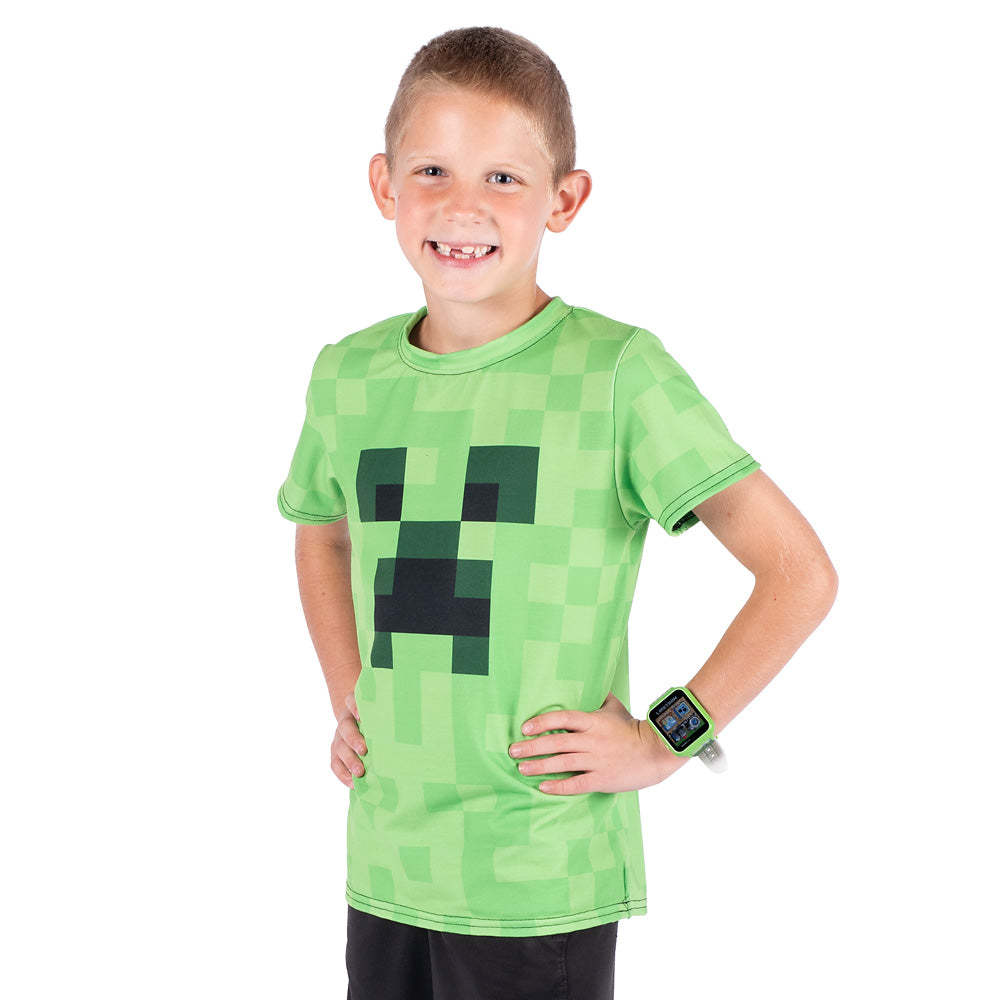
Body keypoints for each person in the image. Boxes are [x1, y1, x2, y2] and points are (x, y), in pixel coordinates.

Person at [276, 25, 837, 1000]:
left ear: (564, 200)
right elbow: (322, 530)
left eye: (503, 178)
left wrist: (666, 736)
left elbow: (798, 574)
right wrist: (347, 690)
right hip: (389, 860)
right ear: (383, 185)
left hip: (540, 876)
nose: (462, 206)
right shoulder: (347, 375)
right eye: (432, 170)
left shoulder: (617, 374)